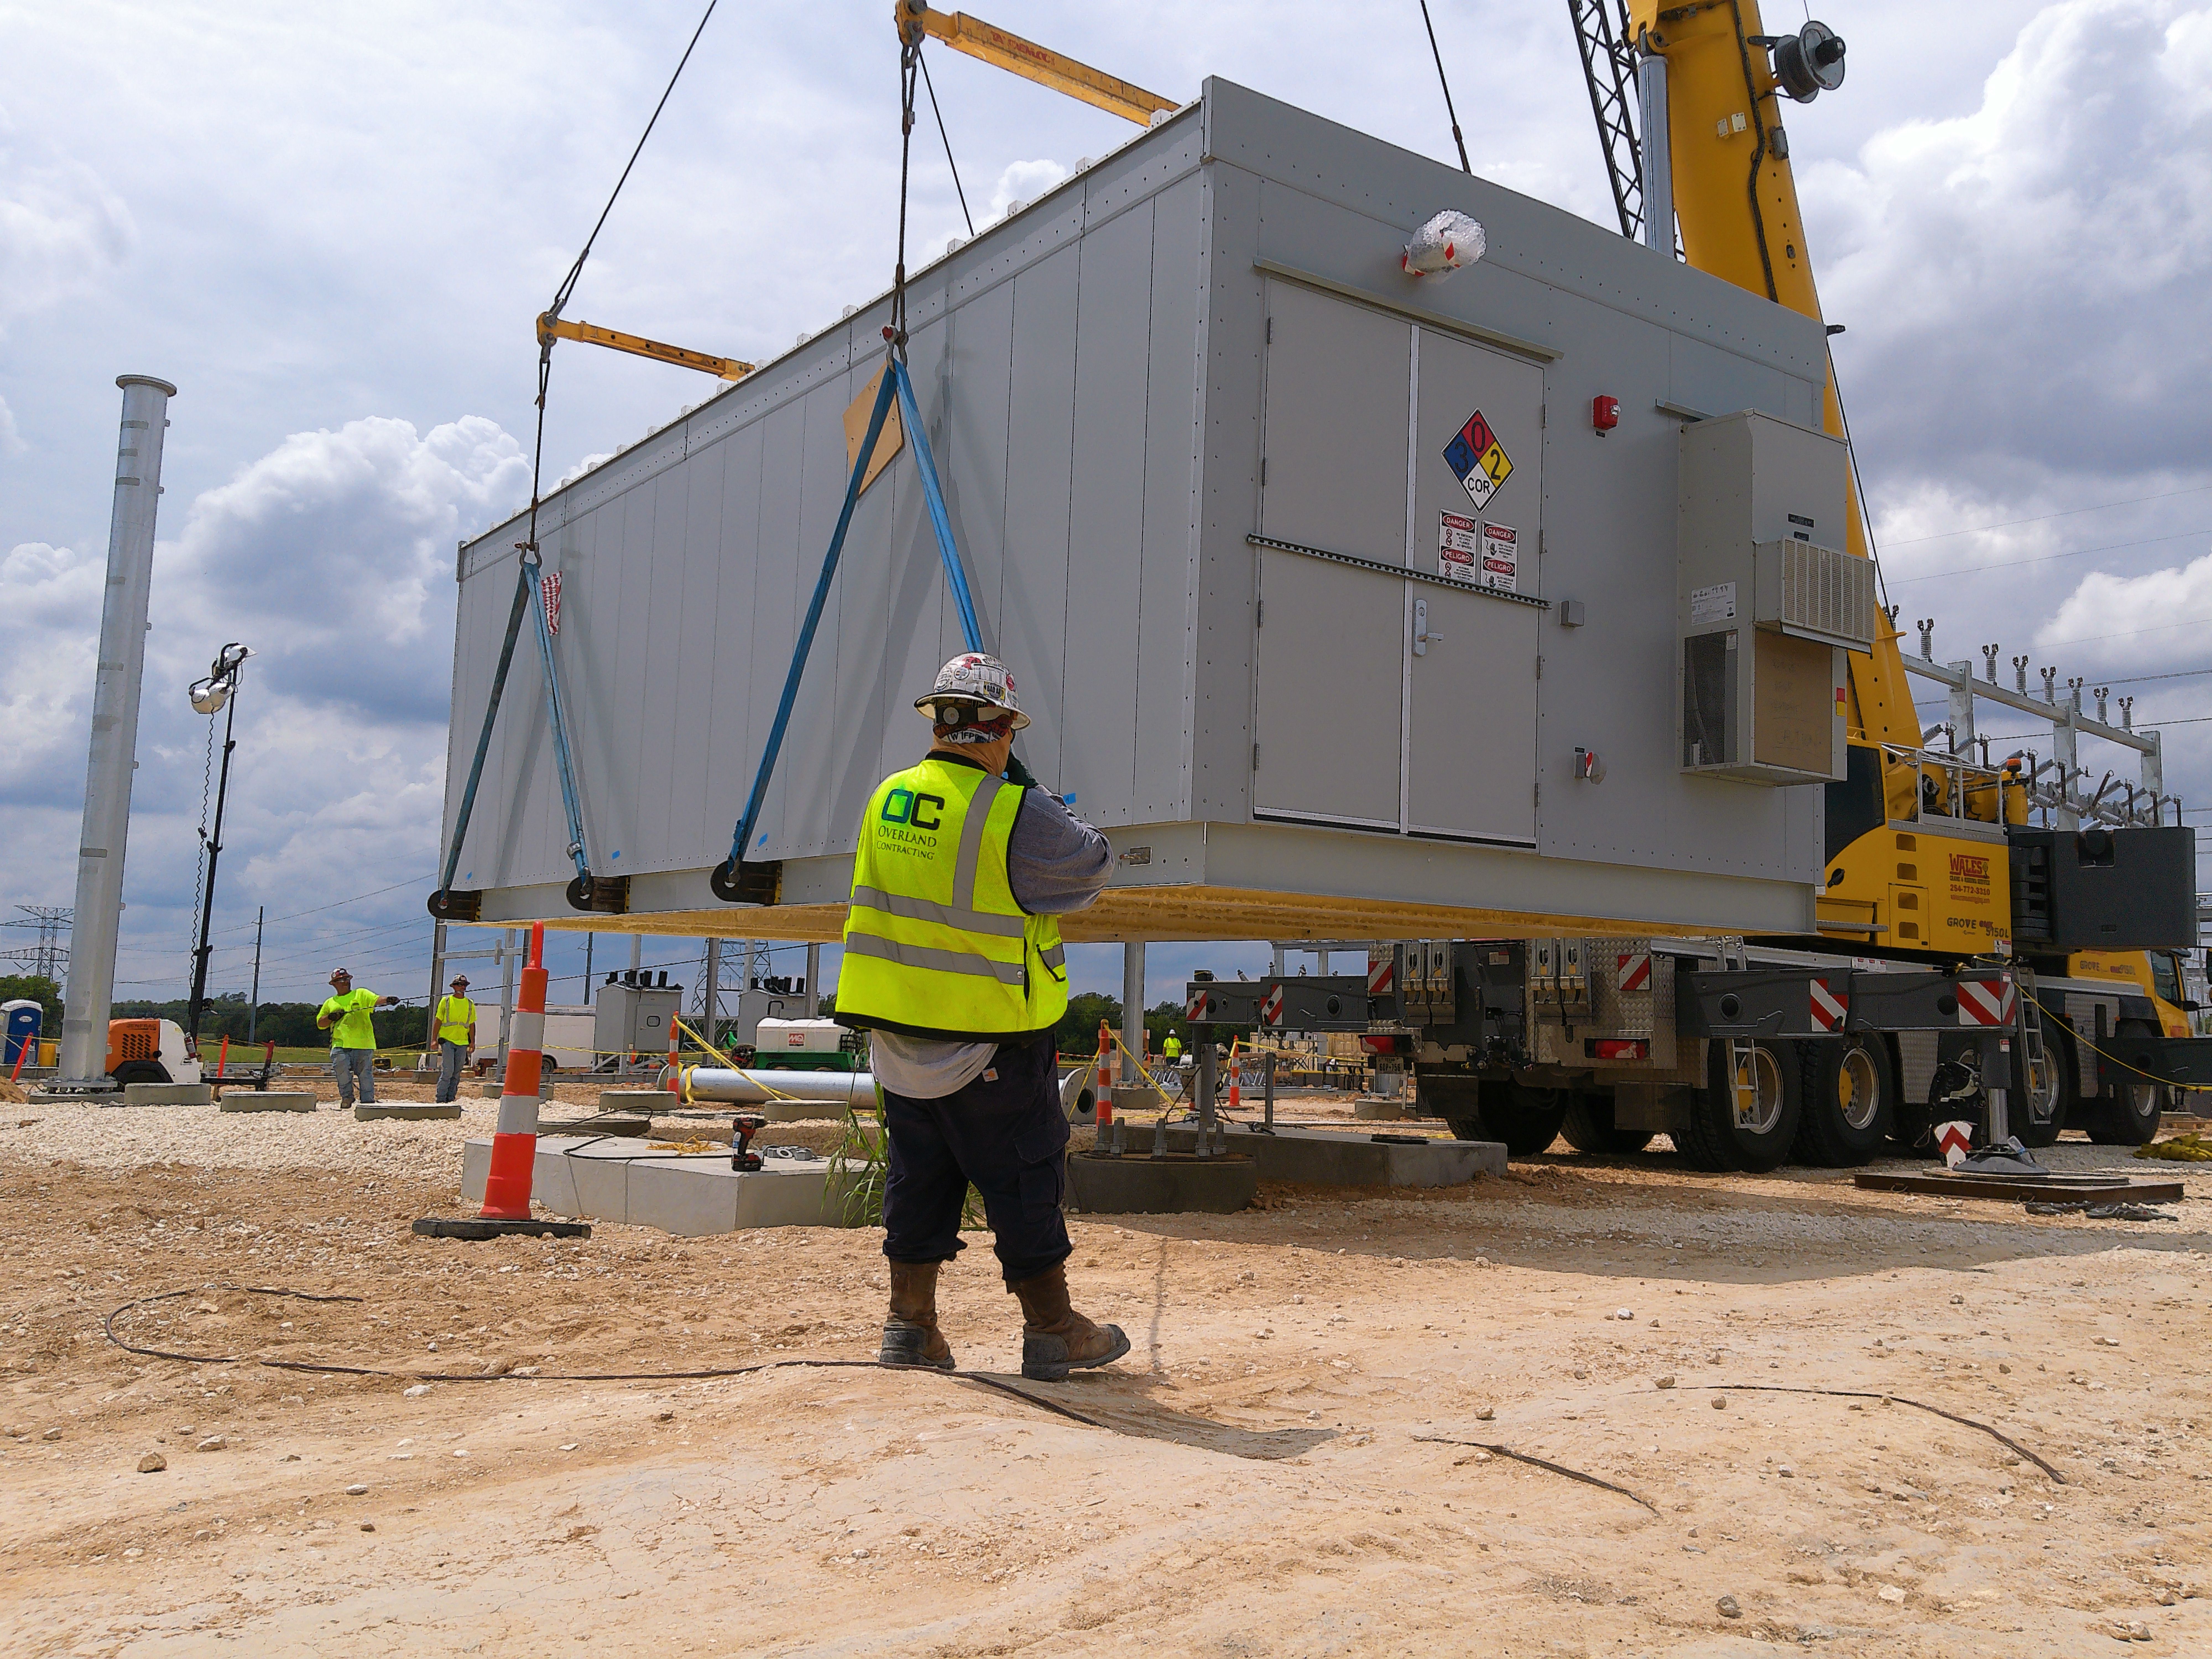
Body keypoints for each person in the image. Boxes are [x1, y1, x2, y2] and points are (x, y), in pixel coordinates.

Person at [835, 651, 1129, 1383]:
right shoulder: (1011, 809)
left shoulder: (888, 800)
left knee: (919, 1180)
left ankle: (910, 1327)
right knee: (1023, 1178)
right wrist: (1029, 793)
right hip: (990, 1039)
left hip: (900, 1039)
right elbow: (1091, 866)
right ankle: (1054, 1331)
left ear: (939, 723)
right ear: (999, 729)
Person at [318, 968, 399, 1108]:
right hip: (340, 1043)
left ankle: (368, 1102)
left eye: (347, 979)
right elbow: (321, 1024)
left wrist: (388, 1000)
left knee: (365, 1074)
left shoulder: (361, 994)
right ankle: (347, 1098)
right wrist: (331, 1017)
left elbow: (375, 1000)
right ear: (334, 984)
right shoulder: (330, 1003)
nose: (345, 982)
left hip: (363, 1043)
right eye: (341, 980)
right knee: (341, 1070)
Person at [432, 974, 477, 1104]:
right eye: (459, 985)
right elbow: (438, 1021)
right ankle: (441, 1099)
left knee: (457, 1072)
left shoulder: (470, 1004)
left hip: (462, 1042)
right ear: (453, 987)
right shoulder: (446, 1002)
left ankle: (450, 1099)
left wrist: (472, 1042)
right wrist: (434, 1040)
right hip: (447, 1040)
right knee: (448, 1071)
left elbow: (472, 1025)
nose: (462, 987)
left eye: (464, 985)